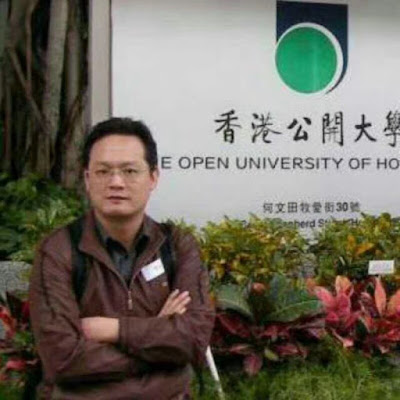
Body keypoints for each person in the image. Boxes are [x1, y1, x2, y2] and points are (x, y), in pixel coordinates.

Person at [29, 117, 215, 399]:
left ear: (153, 177)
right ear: (87, 179)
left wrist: (114, 330)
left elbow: (194, 339)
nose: (116, 182)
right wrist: (158, 336)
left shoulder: (177, 246)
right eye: (103, 171)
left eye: (130, 171)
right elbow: (63, 357)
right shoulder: (59, 250)